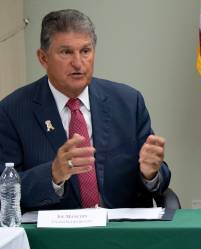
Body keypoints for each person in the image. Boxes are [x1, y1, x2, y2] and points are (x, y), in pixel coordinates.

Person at [0, 9, 171, 211]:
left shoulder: (128, 102)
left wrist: (149, 173)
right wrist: (52, 175)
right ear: (43, 58)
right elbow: (4, 190)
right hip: (54, 238)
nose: (78, 63)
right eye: (66, 52)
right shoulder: (13, 110)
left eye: (85, 51)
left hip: (122, 233)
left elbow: (158, 175)